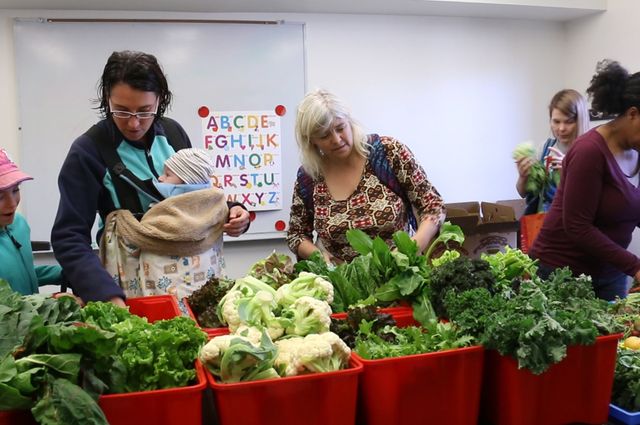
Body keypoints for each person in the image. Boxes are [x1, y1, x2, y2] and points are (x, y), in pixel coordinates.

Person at [51, 50, 250, 306]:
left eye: (145, 111)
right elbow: (69, 237)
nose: (134, 124)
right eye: (121, 111)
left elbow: (196, 196)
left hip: (191, 280)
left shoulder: (173, 133)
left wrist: (234, 212)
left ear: (160, 100)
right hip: (127, 285)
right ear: (107, 100)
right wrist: (106, 295)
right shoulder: (88, 152)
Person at [286, 89, 446, 264]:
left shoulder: (389, 153)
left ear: (350, 122)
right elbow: (297, 234)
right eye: (324, 135)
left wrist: (411, 249)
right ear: (311, 141)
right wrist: (319, 257)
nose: (337, 140)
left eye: (340, 128)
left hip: (402, 275)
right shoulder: (310, 176)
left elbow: (433, 206)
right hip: (343, 283)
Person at [529, 60, 640, 301]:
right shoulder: (589, 150)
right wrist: (635, 266)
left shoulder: (636, 149)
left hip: (611, 272)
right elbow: (577, 226)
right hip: (562, 272)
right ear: (633, 114)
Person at [0, 149, 65, 294]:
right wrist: (51, 303)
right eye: (0, 197)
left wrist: (64, 274)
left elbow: (20, 275)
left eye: (15, 190)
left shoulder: (19, 224)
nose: (12, 204)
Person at [515, 89, 590, 215]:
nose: (561, 128)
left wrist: (566, 174)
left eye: (568, 122)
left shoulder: (589, 153)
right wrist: (523, 177)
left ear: (580, 121)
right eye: (556, 121)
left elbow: (588, 201)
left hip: (572, 228)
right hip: (542, 225)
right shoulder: (545, 147)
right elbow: (523, 193)